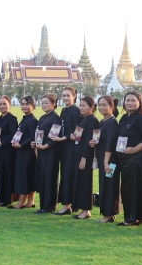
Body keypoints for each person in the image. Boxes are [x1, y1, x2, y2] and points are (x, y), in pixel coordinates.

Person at [104, 91, 142, 226]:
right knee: (129, 189)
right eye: (127, 100)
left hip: (136, 160)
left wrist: (135, 149)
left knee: (134, 190)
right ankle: (140, 217)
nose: (130, 103)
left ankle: (131, 218)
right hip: (124, 159)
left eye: (133, 100)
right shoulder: (124, 118)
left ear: (139, 103)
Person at [52, 86, 81, 215]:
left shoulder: (76, 110)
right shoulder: (64, 110)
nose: (65, 98)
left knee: (69, 175)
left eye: (68, 95)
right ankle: (69, 204)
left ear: (74, 96)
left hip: (72, 147)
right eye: (63, 96)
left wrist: (63, 138)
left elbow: (77, 130)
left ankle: (68, 205)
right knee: (65, 175)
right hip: (63, 147)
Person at [92, 96, 120, 223]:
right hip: (103, 157)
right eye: (100, 105)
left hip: (110, 159)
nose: (101, 107)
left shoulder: (112, 122)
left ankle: (109, 214)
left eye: (104, 105)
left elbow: (110, 143)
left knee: (109, 185)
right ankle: (107, 213)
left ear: (111, 107)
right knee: (104, 184)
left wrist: (105, 161)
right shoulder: (103, 121)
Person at [32, 94, 61, 214]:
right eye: (42, 102)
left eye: (46, 103)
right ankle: (43, 205)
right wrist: (35, 143)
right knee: (42, 179)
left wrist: (45, 146)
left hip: (51, 153)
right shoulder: (43, 117)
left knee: (49, 179)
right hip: (41, 152)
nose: (43, 105)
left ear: (53, 104)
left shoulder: (55, 118)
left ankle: (49, 206)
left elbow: (54, 137)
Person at [70, 96, 98, 219]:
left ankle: (86, 210)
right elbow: (79, 137)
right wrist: (74, 136)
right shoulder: (83, 119)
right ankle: (81, 208)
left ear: (92, 107)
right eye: (80, 105)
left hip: (84, 155)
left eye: (84, 105)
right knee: (79, 181)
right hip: (77, 154)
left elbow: (89, 141)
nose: (81, 108)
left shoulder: (92, 120)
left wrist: (84, 157)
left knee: (85, 182)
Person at [10, 96, 38, 209]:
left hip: (27, 152)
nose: (24, 106)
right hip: (21, 151)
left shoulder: (32, 120)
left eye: (27, 104)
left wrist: (21, 145)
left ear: (33, 105)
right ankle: (30, 201)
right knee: (28, 176)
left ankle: (21, 202)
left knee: (24, 177)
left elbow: (32, 137)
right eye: (22, 104)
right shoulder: (25, 119)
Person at [0, 96, 18, 207]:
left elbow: (13, 134)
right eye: (0, 104)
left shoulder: (12, 118)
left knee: (7, 174)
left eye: (4, 104)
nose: (2, 106)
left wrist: (2, 142)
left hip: (8, 151)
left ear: (9, 105)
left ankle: (7, 200)